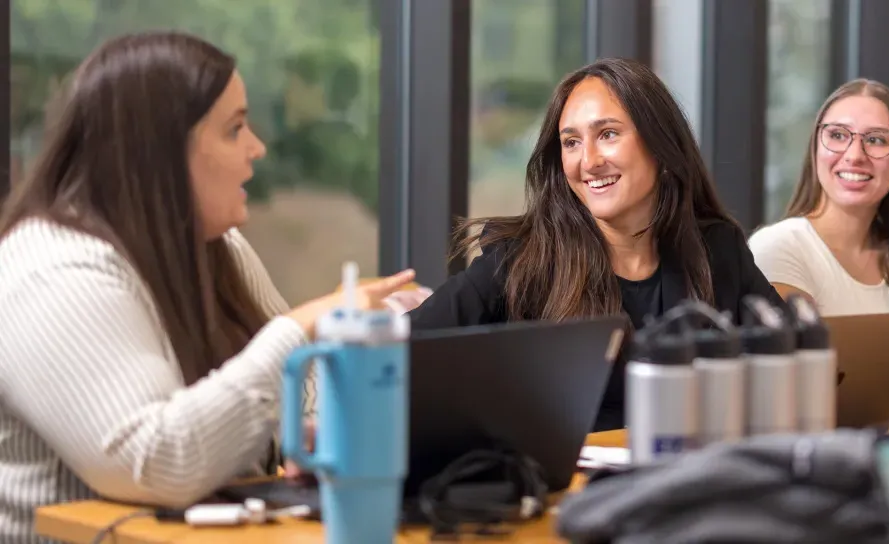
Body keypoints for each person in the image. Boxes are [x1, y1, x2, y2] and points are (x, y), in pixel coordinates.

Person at [0, 31, 417, 542]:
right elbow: (159, 463)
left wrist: (306, 437)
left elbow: (289, 400)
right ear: (158, 151)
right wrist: (295, 329)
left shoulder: (220, 247)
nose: (257, 148)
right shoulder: (54, 269)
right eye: (234, 128)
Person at [404, 57, 785, 431]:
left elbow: (788, 363)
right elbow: (402, 349)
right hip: (576, 489)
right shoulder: (519, 259)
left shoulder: (717, 247)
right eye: (571, 142)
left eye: (607, 134)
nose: (588, 161)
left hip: (692, 477)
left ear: (661, 146)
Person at [748, 79, 889, 380]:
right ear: (816, 147)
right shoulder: (779, 249)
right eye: (838, 135)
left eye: (876, 140)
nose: (855, 155)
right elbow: (798, 384)